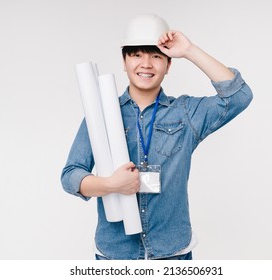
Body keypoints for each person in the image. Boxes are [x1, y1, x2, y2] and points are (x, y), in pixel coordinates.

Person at [61, 14, 253, 260]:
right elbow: (70, 175)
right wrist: (111, 185)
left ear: (168, 64)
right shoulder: (101, 113)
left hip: (172, 253)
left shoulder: (185, 114)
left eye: (156, 55)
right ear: (124, 61)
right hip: (116, 255)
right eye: (137, 54)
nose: (146, 64)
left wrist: (189, 50)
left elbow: (239, 96)